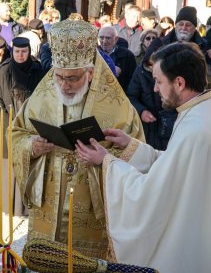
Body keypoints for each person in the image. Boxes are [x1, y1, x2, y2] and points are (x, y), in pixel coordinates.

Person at [75, 42, 211, 273]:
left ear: (180, 83)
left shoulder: (196, 128)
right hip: (209, 230)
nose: (155, 89)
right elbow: (177, 165)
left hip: (193, 244)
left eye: (159, 81)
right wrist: (132, 145)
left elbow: (151, 192)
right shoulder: (208, 110)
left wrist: (106, 162)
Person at [12, 20, 144, 259]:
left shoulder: (118, 108)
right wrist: (32, 146)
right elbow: (18, 132)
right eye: (59, 76)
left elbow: (136, 157)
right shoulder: (42, 96)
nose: (65, 85)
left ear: (90, 72)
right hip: (48, 205)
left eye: (73, 78)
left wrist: (104, 159)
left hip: (91, 211)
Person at [0, 37, 44, 216]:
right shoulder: (4, 71)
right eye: (17, 51)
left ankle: (26, 206)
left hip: (31, 126)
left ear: (29, 52)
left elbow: (43, 97)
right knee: (10, 166)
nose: (21, 55)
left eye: (24, 51)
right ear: (12, 52)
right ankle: (9, 206)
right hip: (8, 125)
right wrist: (11, 124)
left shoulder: (38, 70)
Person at [127, 38, 177, 150]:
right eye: (150, 64)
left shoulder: (173, 72)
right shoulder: (140, 71)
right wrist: (142, 111)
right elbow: (131, 96)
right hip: (148, 127)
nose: (152, 67)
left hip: (169, 123)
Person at [98, 26, 136, 91]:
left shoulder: (127, 56)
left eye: (108, 38)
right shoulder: (94, 54)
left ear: (116, 39)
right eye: (101, 37)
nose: (104, 41)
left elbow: (133, 81)